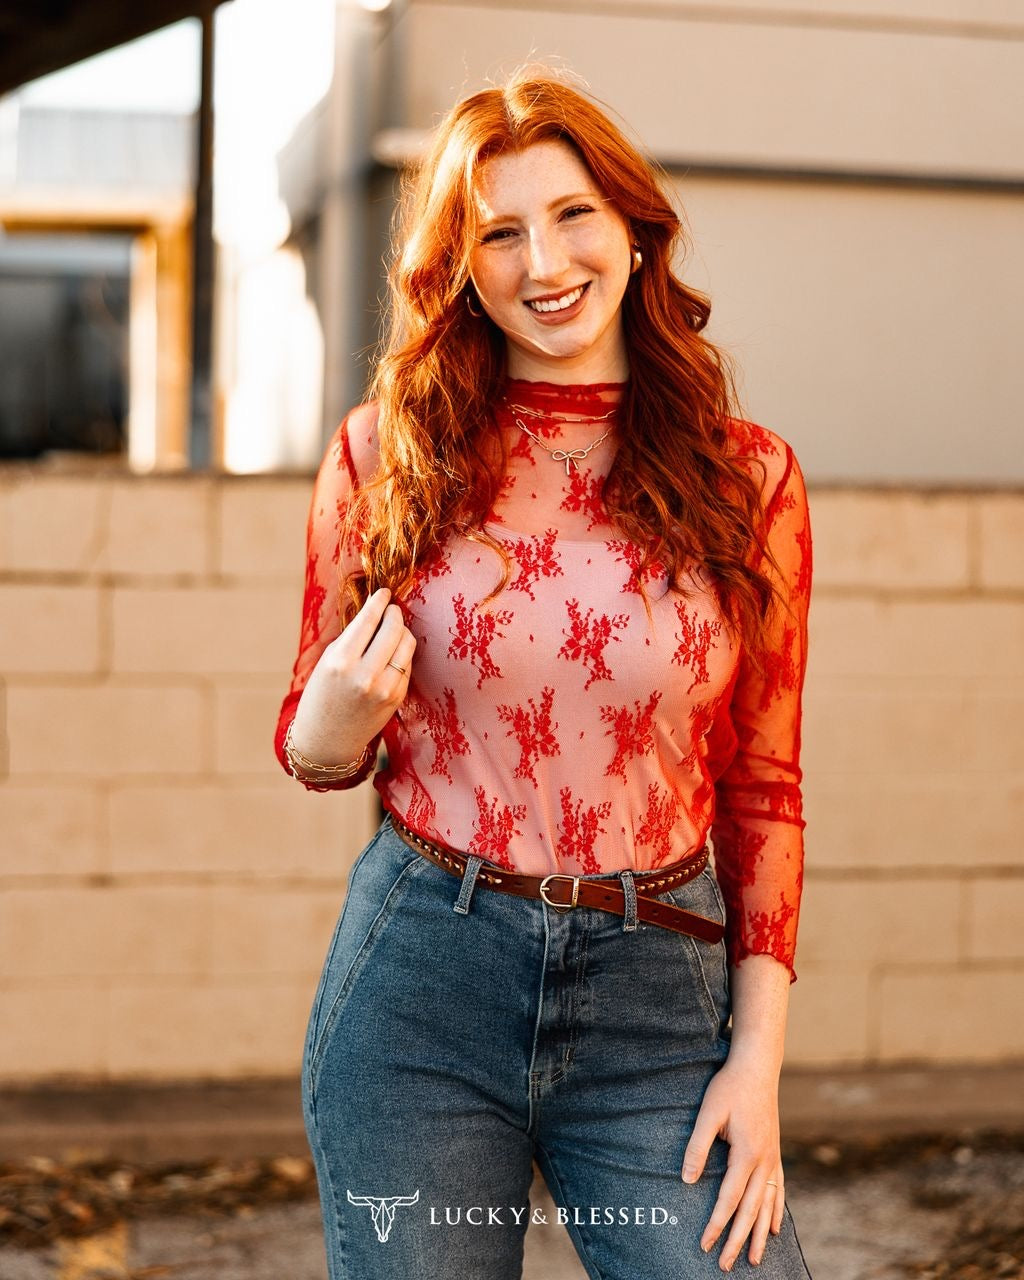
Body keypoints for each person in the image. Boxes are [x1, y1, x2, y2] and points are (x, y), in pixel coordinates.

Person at [274, 69, 813, 1280]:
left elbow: (766, 786)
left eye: (571, 213)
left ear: (631, 228)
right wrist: (332, 722)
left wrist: (757, 1059)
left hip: (657, 996)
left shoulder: (751, 479)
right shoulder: (384, 454)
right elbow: (311, 750)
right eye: (497, 231)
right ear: (461, 264)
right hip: (421, 986)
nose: (542, 260)